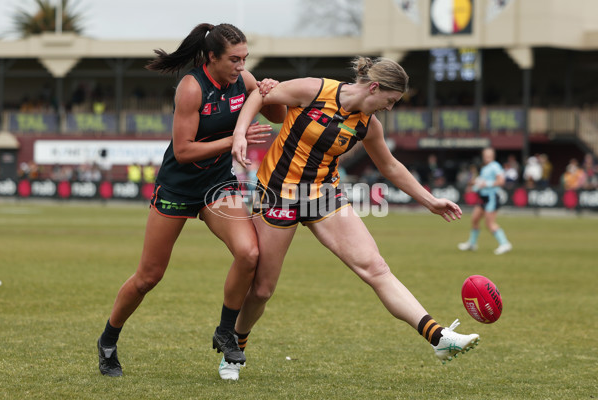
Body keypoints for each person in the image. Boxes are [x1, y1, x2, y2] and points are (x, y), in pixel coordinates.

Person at [226, 57, 480, 381]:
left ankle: (439, 338)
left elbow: (389, 166)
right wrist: (239, 134)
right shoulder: (315, 89)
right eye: (390, 101)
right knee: (261, 290)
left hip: (324, 194)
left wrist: (430, 201)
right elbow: (261, 96)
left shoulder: (368, 124)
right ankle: (236, 343)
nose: (389, 109)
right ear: (374, 87)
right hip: (276, 192)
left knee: (375, 268)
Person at [96, 23, 286, 377]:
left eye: (245, 59)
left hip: (217, 185)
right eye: (234, 59)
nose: (241, 66)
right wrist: (235, 139)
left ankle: (225, 332)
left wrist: (268, 91)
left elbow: (276, 115)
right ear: (212, 57)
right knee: (148, 277)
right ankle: (108, 340)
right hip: (177, 188)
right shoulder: (190, 87)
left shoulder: (242, 80)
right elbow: (183, 151)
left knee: (249, 254)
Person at [458, 147, 512, 255]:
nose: (486, 157)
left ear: (492, 156)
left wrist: (486, 184)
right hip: (483, 197)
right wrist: (474, 186)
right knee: (475, 219)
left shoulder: (495, 166)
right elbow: (482, 182)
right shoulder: (485, 168)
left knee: (489, 223)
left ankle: (505, 244)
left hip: (492, 197)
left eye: (488, 155)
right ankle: (472, 244)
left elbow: (501, 181)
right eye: (485, 155)